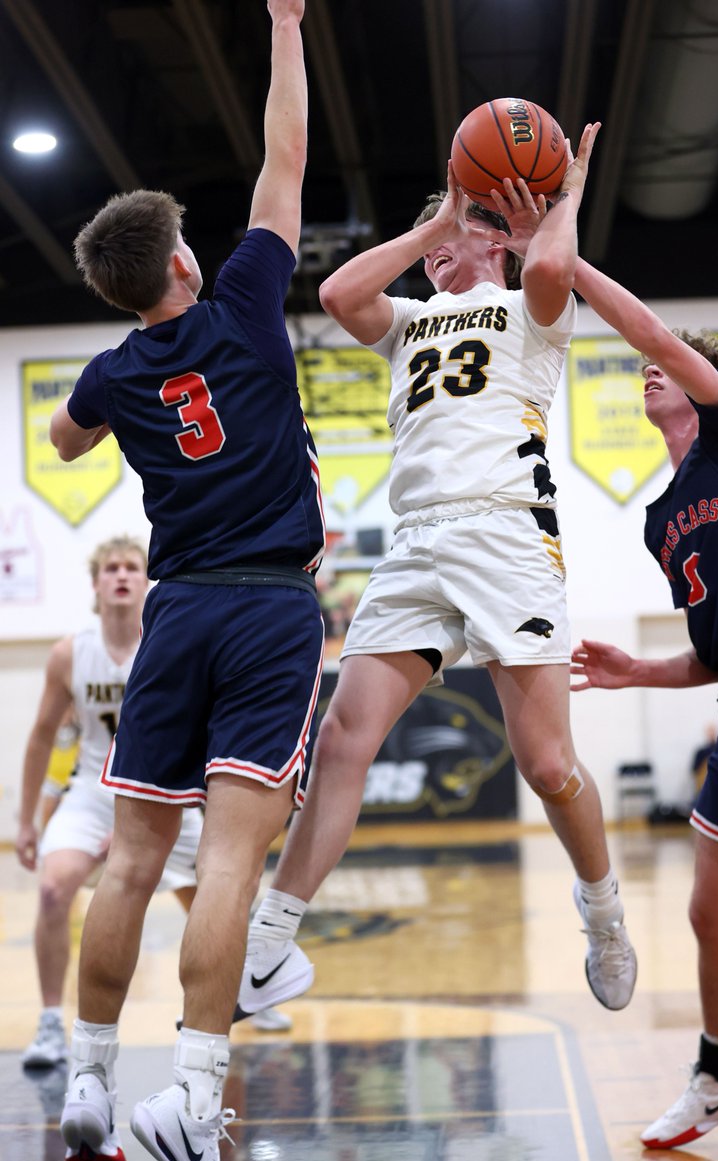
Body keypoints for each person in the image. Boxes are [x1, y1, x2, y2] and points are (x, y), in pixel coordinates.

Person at [231, 123, 637, 1034]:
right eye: (429, 245)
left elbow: (548, 271)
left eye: (453, 237)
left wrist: (564, 196)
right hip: (417, 542)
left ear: (492, 238)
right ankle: (269, 941)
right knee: (342, 742)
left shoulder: (534, 304)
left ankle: (603, 910)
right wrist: (433, 225)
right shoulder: (409, 323)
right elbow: (338, 290)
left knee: (547, 765)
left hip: (505, 533)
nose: (432, 258)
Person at [50, 2, 323, 1161]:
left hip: (176, 612)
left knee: (128, 859)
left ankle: (91, 1077)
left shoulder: (115, 368)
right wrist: (283, 24)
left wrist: (109, 396)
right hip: (268, 607)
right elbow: (285, 159)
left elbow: (62, 443)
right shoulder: (247, 299)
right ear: (180, 263)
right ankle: (194, 1095)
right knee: (229, 865)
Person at [569, 257, 718, 1148]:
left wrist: (570, 259)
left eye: (668, 364)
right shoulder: (659, 519)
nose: (649, 368)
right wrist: (636, 670)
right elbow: (714, 653)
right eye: (643, 371)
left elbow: (655, 333)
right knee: (711, 913)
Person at [16, 537, 289, 1074]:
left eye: (131, 567)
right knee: (51, 888)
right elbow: (42, 736)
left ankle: (248, 990)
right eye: (110, 568)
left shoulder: (169, 640)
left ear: (148, 579)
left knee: (216, 894)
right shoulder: (70, 652)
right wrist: (25, 820)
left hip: (167, 787)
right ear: (96, 583)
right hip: (95, 793)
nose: (121, 576)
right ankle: (51, 1020)